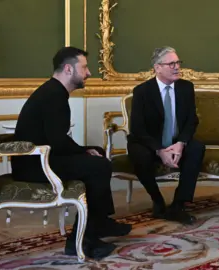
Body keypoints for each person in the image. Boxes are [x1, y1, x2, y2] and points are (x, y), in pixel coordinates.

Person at [11, 46, 131, 259]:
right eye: (84, 68)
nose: (89, 73)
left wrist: (86, 151)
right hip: (36, 166)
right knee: (99, 164)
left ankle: (100, 222)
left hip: (39, 159)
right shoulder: (54, 96)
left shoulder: (53, 91)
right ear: (68, 69)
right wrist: (84, 152)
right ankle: (81, 241)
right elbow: (57, 141)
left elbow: (55, 139)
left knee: (97, 154)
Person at [127, 46, 206, 225]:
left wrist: (181, 143)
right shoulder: (142, 91)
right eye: (171, 64)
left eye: (178, 62)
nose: (177, 67)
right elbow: (138, 129)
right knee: (139, 153)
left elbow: (191, 121)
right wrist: (159, 150)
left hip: (176, 142)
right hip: (150, 144)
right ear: (157, 68)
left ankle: (179, 204)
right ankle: (158, 202)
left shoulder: (186, 88)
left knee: (197, 148)